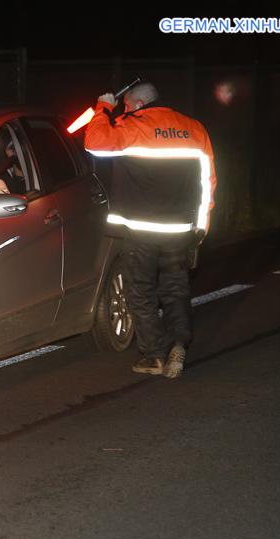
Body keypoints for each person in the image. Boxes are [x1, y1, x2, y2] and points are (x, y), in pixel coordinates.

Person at [83, 82, 216, 379]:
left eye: (128, 107)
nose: (126, 112)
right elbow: (208, 182)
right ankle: (179, 344)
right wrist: (201, 228)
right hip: (180, 231)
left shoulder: (134, 127)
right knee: (175, 289)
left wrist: (104, 108)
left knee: (141, 292)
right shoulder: (194, 129)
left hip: (141, 231)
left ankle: (153, 355)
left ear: (138, 105)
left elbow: (95, 142)